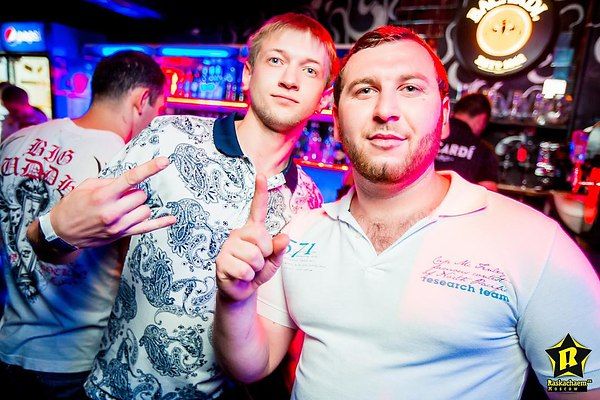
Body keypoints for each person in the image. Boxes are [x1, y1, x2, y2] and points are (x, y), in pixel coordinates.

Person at [214, 26, 600, 400]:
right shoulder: (300, 231)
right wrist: (235, 300)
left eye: (410, 88)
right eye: (365, 90)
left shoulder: (534, 244)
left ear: (444, 116)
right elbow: (254, 364)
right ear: (336, 121)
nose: (386, 110)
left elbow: (578, 388)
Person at [25, 13, 338, 399]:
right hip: (117, 389)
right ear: (247, 75)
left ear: (325, 95)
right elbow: (61, 245)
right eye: (276, 60)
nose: (290, 79)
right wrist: (55, 232)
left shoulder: (308, 202)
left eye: (309, 70)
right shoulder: (170, 138)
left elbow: (271, 333)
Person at [0, 50, 166, 399]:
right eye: (158, 109)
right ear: (142, 100)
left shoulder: (15, 141)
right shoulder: (127, 167)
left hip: (10, 344)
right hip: (77, 359)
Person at [435, 92, 499, 191]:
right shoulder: (482, 150)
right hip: (460, 200)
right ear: (482, 118)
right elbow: (489, 189)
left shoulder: (429, 136)